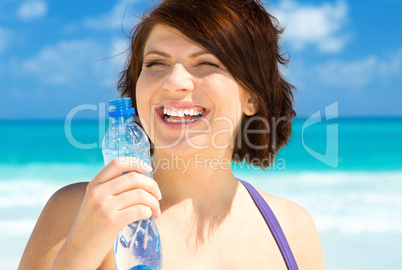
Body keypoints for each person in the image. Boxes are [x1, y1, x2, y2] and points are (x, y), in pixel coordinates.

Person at [19, 0, 324, 269]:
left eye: (206, 63)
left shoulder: (293, 228)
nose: (174, 82)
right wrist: (79, 249)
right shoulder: (75, 212)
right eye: (155, 63)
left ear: (251, 97)